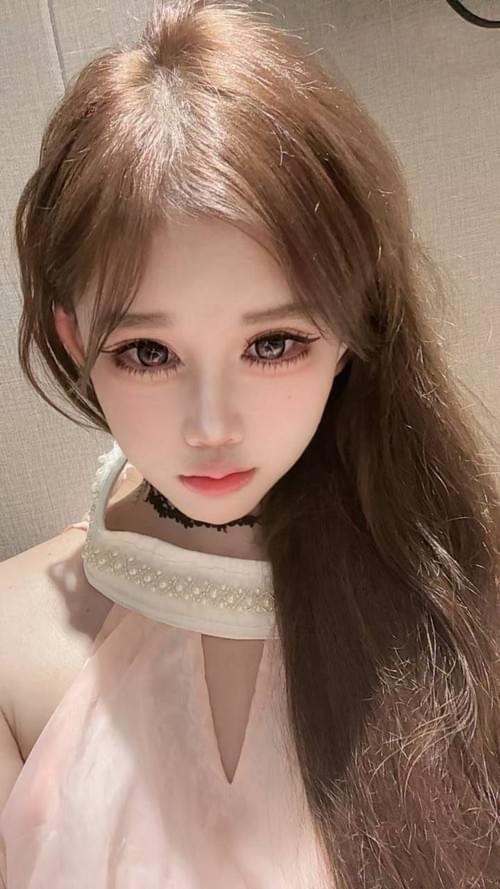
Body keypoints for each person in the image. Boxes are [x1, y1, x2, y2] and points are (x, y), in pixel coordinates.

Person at [1, 0, 499, 886]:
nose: (211, 425)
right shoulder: (12, 646)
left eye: (273, 343)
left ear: (350, 328)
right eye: (146, 351)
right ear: (76, 341)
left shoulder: (462, 600)